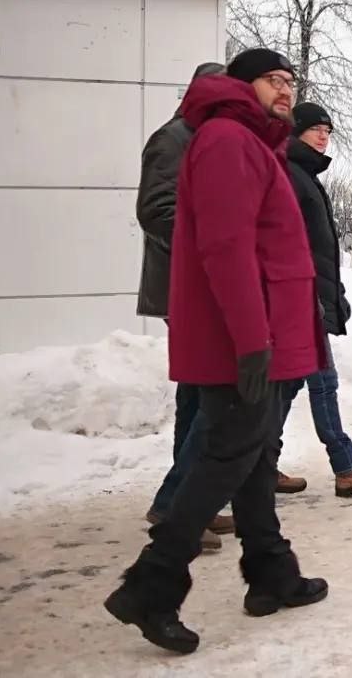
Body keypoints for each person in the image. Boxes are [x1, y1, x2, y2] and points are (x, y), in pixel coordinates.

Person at [104, 49, 328, 655]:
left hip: (260, 328)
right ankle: (152, 584)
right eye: (272, 80)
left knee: (251, 454)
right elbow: (227, 248)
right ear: (241, 85)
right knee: (226, 453)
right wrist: (253, 341)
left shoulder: (248, 140)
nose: (285, 90)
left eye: (289, 80)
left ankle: (270, 572)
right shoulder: (229, 139)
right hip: (244, 337)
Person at [136, 60, 230, 552]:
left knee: (197, 399)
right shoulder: (173, 138)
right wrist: (211, 253)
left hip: (200, 285)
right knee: (208, 399)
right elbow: (156, 210)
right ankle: (176, 507)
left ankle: (191, 504)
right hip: (186, 287)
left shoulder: (202, 139)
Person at [280, 102, 352, 497]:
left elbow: (320, 249)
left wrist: (335, 295)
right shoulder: (291, 176)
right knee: (322, 383)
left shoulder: (304, 176)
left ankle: (261, 463)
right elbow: (291, 248)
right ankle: (345, 467)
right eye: (316, 128)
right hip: (300, 300)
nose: (324, 135)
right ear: (296, 131)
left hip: (310, 297)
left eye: (328, 129)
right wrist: (311, 297)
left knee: (291, 384)